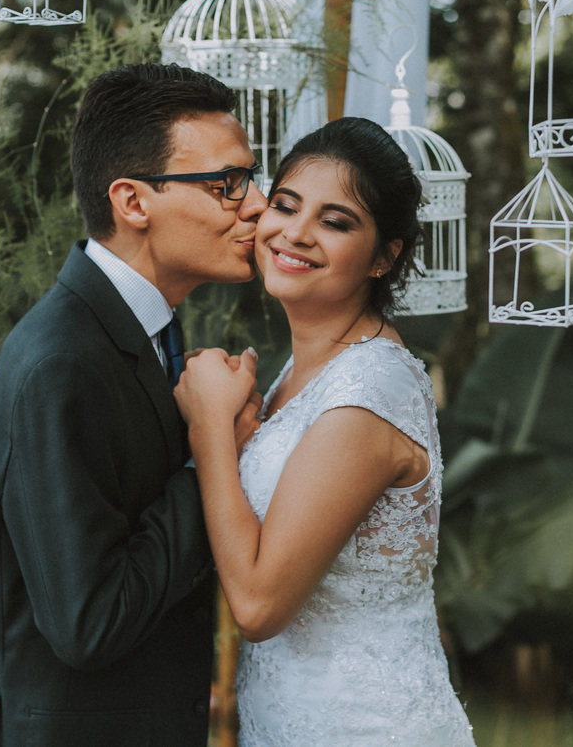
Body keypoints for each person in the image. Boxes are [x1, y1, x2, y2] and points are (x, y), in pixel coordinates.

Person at [0, 62, 267, 747]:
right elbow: (88, 623)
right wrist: (213, 452)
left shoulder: (150, 329)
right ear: (133, 202)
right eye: (227, 184)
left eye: (252, 178)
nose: (258, 204)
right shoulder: (61, 362)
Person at [174, 116, 476, 745]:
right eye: (286, 205)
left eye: (335, 222)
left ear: (384, 256)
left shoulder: (369, 393)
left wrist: (209, 429)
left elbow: (258, 606)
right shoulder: (307, 370)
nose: (296, 233)